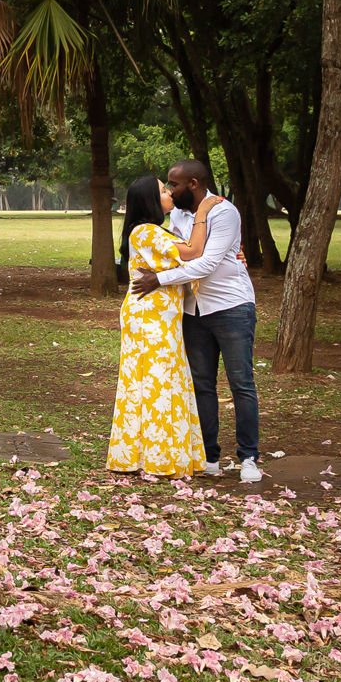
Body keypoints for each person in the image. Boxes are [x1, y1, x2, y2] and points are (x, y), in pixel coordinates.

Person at [133, 159, 262, 482]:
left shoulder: (224, 212)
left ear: (193, 184)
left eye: (174, 185)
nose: (170, 191)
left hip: (231, 307)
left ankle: (248, 458)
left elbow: (205, 263)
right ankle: (209, 457)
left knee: (241, 384)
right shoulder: (176, 216)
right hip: (192, 310)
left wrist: (159, 280)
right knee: (201, 385)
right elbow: (175, 253)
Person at [108, 175, 212, 478]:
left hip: (160, 316)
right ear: (150, 200)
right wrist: (203, 212)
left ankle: (152, 455)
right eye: (163, 190)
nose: (168, 193)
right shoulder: (145, 232)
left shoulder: (153, 232)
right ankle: (155, 458)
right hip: (148, 318)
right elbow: (193, 252)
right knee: (155, 383)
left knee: (160, 381)